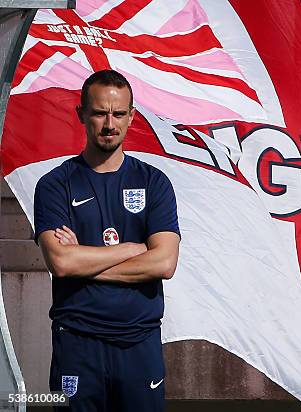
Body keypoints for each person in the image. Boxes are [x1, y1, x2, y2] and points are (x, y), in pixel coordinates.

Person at [34, 69, 180, 411]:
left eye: (118, 114)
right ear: (82, 114)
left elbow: (164, 262)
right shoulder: (55, 185)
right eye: (100, 113)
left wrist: (83, 262)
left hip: (139, 343)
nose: (109, 123)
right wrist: (130, 250)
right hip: (77, 343)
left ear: (131, 117)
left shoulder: (154, 183)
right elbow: (61, 262)